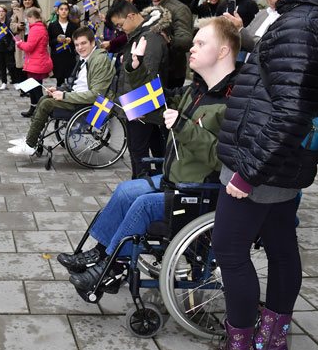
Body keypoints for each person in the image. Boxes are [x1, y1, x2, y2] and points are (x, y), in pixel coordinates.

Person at [213, 0, 318, 349]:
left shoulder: (302, 23)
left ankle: (244, 339)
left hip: (264, 165)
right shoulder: (304, 17)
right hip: (279, 161)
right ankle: (271, 338)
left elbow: (290, 111)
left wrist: (247, 173)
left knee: (230, 251)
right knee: (280, 245)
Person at [60, 17, 238, 293]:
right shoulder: (199, 89)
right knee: (124, 191)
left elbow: (222, 158)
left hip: (199, 194)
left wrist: (182, 126)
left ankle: (110, 267)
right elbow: (157, 98)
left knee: (141, 205)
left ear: (224, 51)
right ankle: (101, 252)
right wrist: (137, 67)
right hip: (175, 180)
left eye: (201, 43)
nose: (191, 48)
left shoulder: (233, 101)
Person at [7, 26, 115, 156]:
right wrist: (58, 90)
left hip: (90, 105)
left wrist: (64, 95)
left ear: (92, 43)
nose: (80, 48)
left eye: (83, 43)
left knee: (47, 104)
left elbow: (96, 95)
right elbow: (74, 83)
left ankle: (30, 144)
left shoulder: (99, 60)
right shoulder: (85, 58)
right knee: (44, 99)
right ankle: (32, 139)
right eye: (77, 45)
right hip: (78, 97)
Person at [108, 0, 170, 179]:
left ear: (131, 16)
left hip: (142, 105)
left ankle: (141, 187)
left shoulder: (148, 37)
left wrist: (140, 107)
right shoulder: (142, 34)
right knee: (150, 149)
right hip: (140, 103)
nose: (120, 30)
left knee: (139, 152)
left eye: (120, 25)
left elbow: (149, 73)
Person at [146, 0, 194, 89]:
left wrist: (169, 40)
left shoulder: (180, 9)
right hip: (150, 71)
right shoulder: (149, 9)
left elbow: (186, 42)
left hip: (170, 75)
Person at [15, 7, 53, 118]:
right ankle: (34, 108)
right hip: (37, 61)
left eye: (28, 19)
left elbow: (30, 47)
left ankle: (41, 111)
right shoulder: (40, 27)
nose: (27, 22)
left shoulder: (36, 29)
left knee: (36, 89)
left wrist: (20, 43)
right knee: (34, 87)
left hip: (36, 63)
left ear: (32, 17)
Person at [48, 2, 79, 87]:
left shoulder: (74, 26)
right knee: (59, 80)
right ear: (57, 11)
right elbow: (49, 42)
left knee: (71, 80)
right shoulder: (52, 25)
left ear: (68, 11)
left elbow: (78, 40)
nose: (64, 11)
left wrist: (71, 41)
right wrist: (57, 40)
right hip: (58, 56)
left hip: (70, 56)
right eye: (61, 9)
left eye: (66, 9)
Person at [0, 4, 16, 90]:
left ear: (5, 12)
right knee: (1, 66)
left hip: (8, 48)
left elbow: (14, 36)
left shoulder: (10, 22)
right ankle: (4, 82)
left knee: (11, 66)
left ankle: (14, 80)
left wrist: (11, 46)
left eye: (2, 11)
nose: (0, 13)